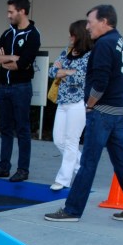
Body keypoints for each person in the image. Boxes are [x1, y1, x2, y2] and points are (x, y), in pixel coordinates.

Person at [45, 4, 123, 223]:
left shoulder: (103, 45)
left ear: (105, 21)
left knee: (89, 162)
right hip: (120, 112)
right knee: (121, 160)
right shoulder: (122, 43)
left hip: (102, 113)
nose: (88, 27)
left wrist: (90, 104)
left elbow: (100, 82)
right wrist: (118, 98)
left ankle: (72, 210)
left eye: (91, 21)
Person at [0, 0, 40, 182]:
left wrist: (6, 60)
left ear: (22, 11)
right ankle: (3, 166)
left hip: (21, 88)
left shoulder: (33, 35)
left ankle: (23, 169)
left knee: (22, 128)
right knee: (5, 128)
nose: (8, 15)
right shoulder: (8, 34)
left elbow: (22, 64)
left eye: (11, 12)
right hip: (4, 87)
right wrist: (11, 57)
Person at [47, 20, 93, 191]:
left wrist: (64, 72)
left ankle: (63, 179)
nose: (69, 36)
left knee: (71, 141)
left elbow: (81, 78)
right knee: (58, 139)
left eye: (72, 34)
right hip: (63, 101)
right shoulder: (66, 52)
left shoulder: (90, 55)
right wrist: (66, 73)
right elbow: (52, 71)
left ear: (79, 36)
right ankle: (83, 169)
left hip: (79, 103)